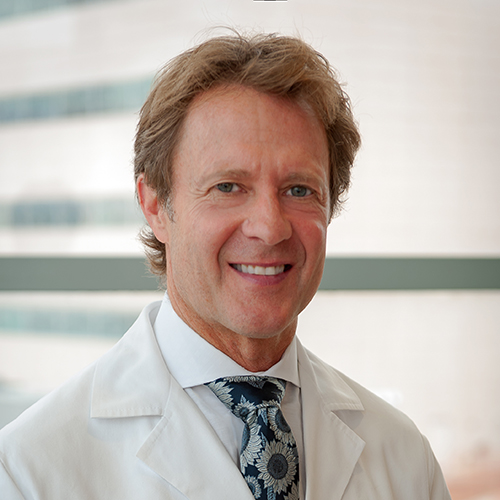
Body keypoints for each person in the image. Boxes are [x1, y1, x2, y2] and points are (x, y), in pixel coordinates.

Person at [0, 31, 451, 499]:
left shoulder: (404, 460)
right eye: (228, 187)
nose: (270, 227)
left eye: (299, 190)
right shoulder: (28, 470)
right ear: (155, 205)